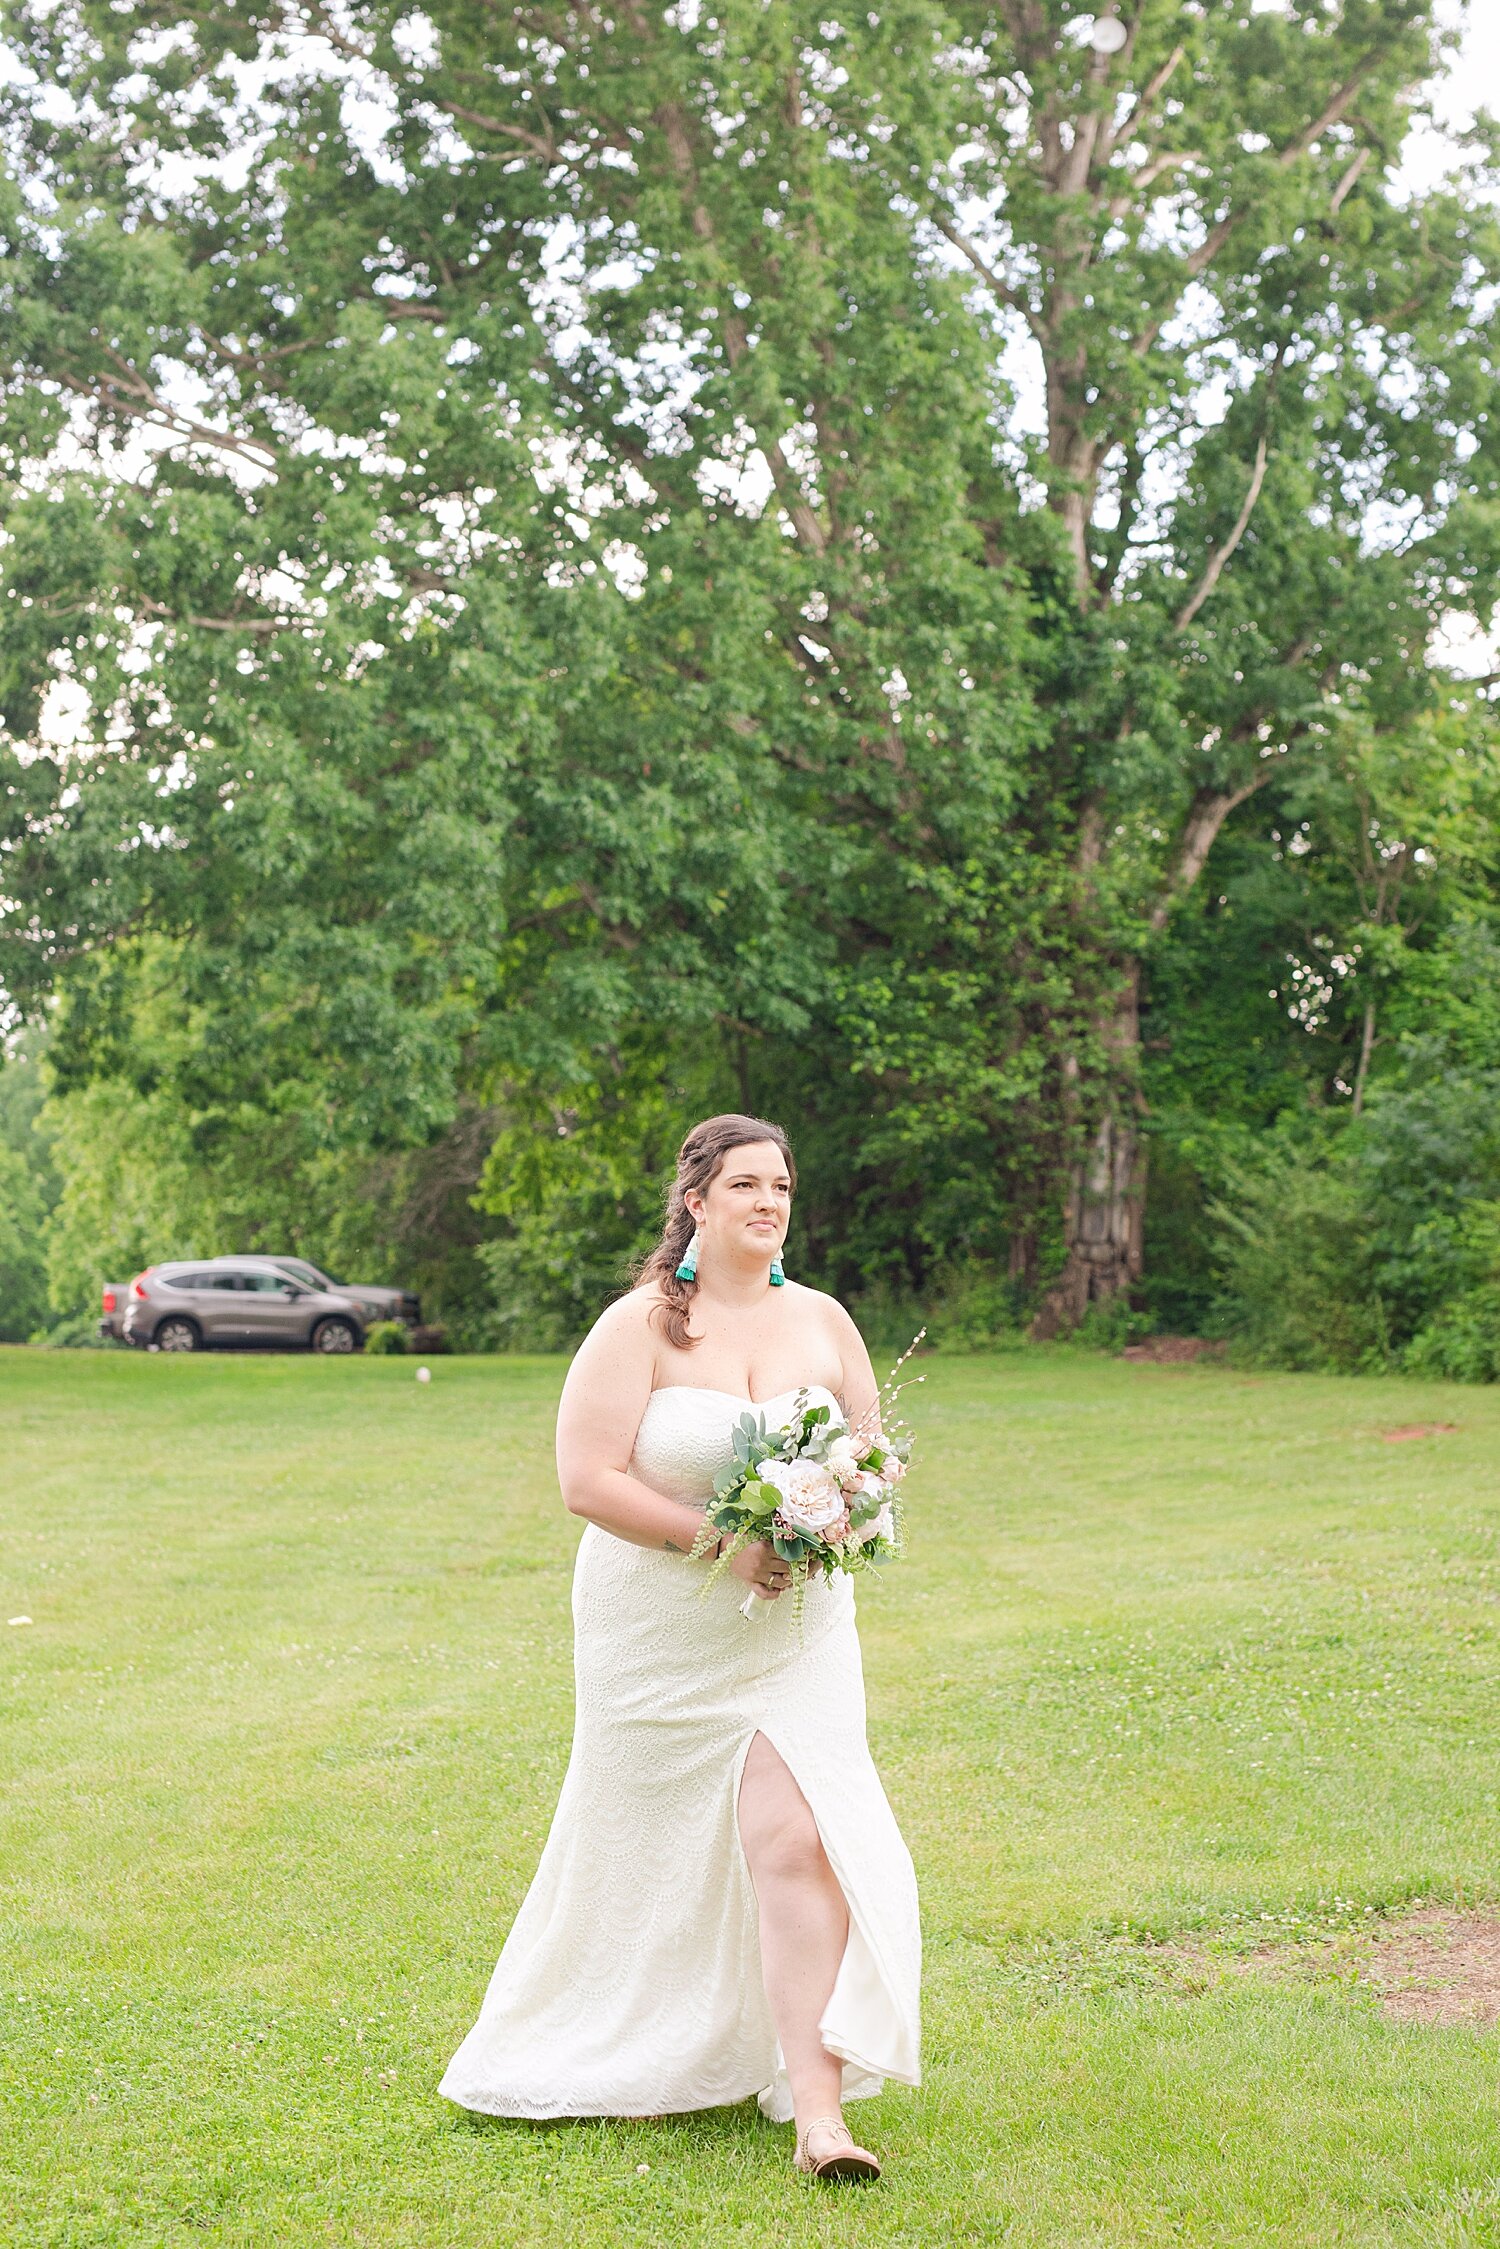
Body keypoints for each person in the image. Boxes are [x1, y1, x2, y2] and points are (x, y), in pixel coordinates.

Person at [439, 1114, 920, 2182]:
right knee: (648, 1842)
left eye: (783, 1185)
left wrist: (843, 1506)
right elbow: (586, 1478)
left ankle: (818, 2111)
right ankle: (641, 2044)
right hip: (657, 1627)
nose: (769, 1201)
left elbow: (873, 1453)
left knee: (799, 1832)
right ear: (695, 1201)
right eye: (745, 1182)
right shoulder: (641, 1325)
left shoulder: (827, 1321)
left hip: (798, 1629)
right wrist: (723, 1543)